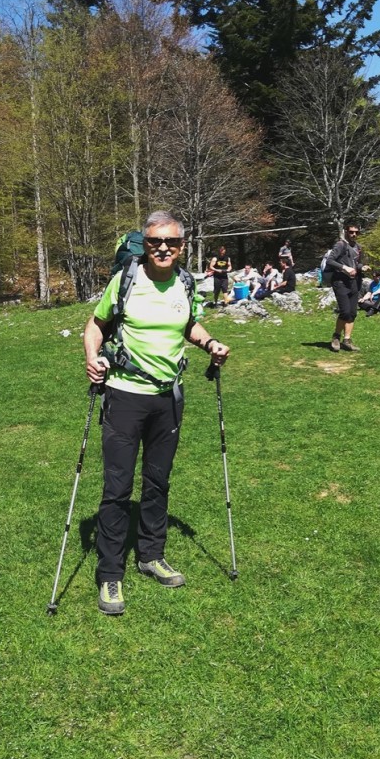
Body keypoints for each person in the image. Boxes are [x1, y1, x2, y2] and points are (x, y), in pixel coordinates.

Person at [84, 211, 230, 616]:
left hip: (168, 398)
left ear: (182, 246)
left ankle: (151, 555)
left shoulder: (185, 282)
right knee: (117, 488)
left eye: (171, 242)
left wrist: (211, 343)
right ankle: (110, 574)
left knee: (158, 481)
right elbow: (95, 325)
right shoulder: (126, 280)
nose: (163, 248)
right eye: (154, 242)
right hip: (125, 395)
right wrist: (92, 358)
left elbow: (189, 326)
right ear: (144, 245)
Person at [327, 224, 368, 352]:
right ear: (346, 232)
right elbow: (330, 260)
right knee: (344, 311)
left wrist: (362, 267)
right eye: (351, 232)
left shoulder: (358, 247)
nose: (354, 235)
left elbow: (357, 263)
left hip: (354, 282)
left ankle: (347, 340)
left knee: (352, 313)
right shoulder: (341, 245)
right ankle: (336, 337)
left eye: (356, 232)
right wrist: (344, 268)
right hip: (340, 281)